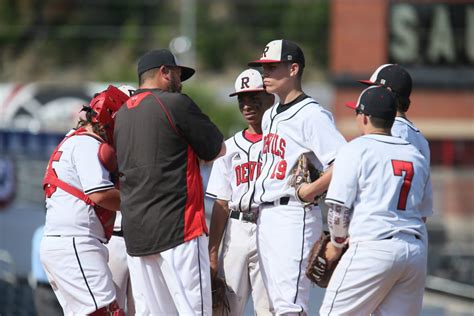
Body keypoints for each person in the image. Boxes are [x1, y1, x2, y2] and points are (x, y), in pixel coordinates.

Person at [114, 48, 225, 315]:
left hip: (137, 234)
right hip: (179, 229)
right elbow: (216, 148)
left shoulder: (121, 115)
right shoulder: (175, 103)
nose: (180, 81)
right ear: (164, 72)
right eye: (177, 73)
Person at [247, 39, 347, 314]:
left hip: (294, 215)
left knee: (290, 306)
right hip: (266, 216)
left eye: (272, 68)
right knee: (275, 305)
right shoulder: (269, 116)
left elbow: (345, 161)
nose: (264, 74)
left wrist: (311, 190)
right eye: (263, 68)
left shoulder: (312, 114)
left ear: (293, 69)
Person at [320, 86, 433, 315]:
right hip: (414, 251)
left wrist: (336, 244)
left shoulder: (356, 149)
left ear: (364, 117)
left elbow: (338, 209)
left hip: (373, 247)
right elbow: (423, 212)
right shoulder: (416, 155)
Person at [40, 85, 131, 315]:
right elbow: (99, 193)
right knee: (108, 312)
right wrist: (138, 202)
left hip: (68, 242)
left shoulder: (74, 139)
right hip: (76, 242)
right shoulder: (87, 144)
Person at [206, 69, 274, 315]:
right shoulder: (229, 147)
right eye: (241, 99)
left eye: (253, 97)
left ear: (270, 98)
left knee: (269, 308)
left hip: (271, 226)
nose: (246, 104)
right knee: (226, 307)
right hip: (236, 231)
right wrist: (213, 253)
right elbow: (221, 203)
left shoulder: (281, 143)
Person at [357, 63, 430, 163]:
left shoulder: (389, 130)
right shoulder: (420, 139)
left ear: (388, 91)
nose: (370, 92)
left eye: (374, 88)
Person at [31, 225, 62, 316]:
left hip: (59, 288)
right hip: (47, 289)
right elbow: (46, 258)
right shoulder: (43, 232)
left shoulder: (57, 231)